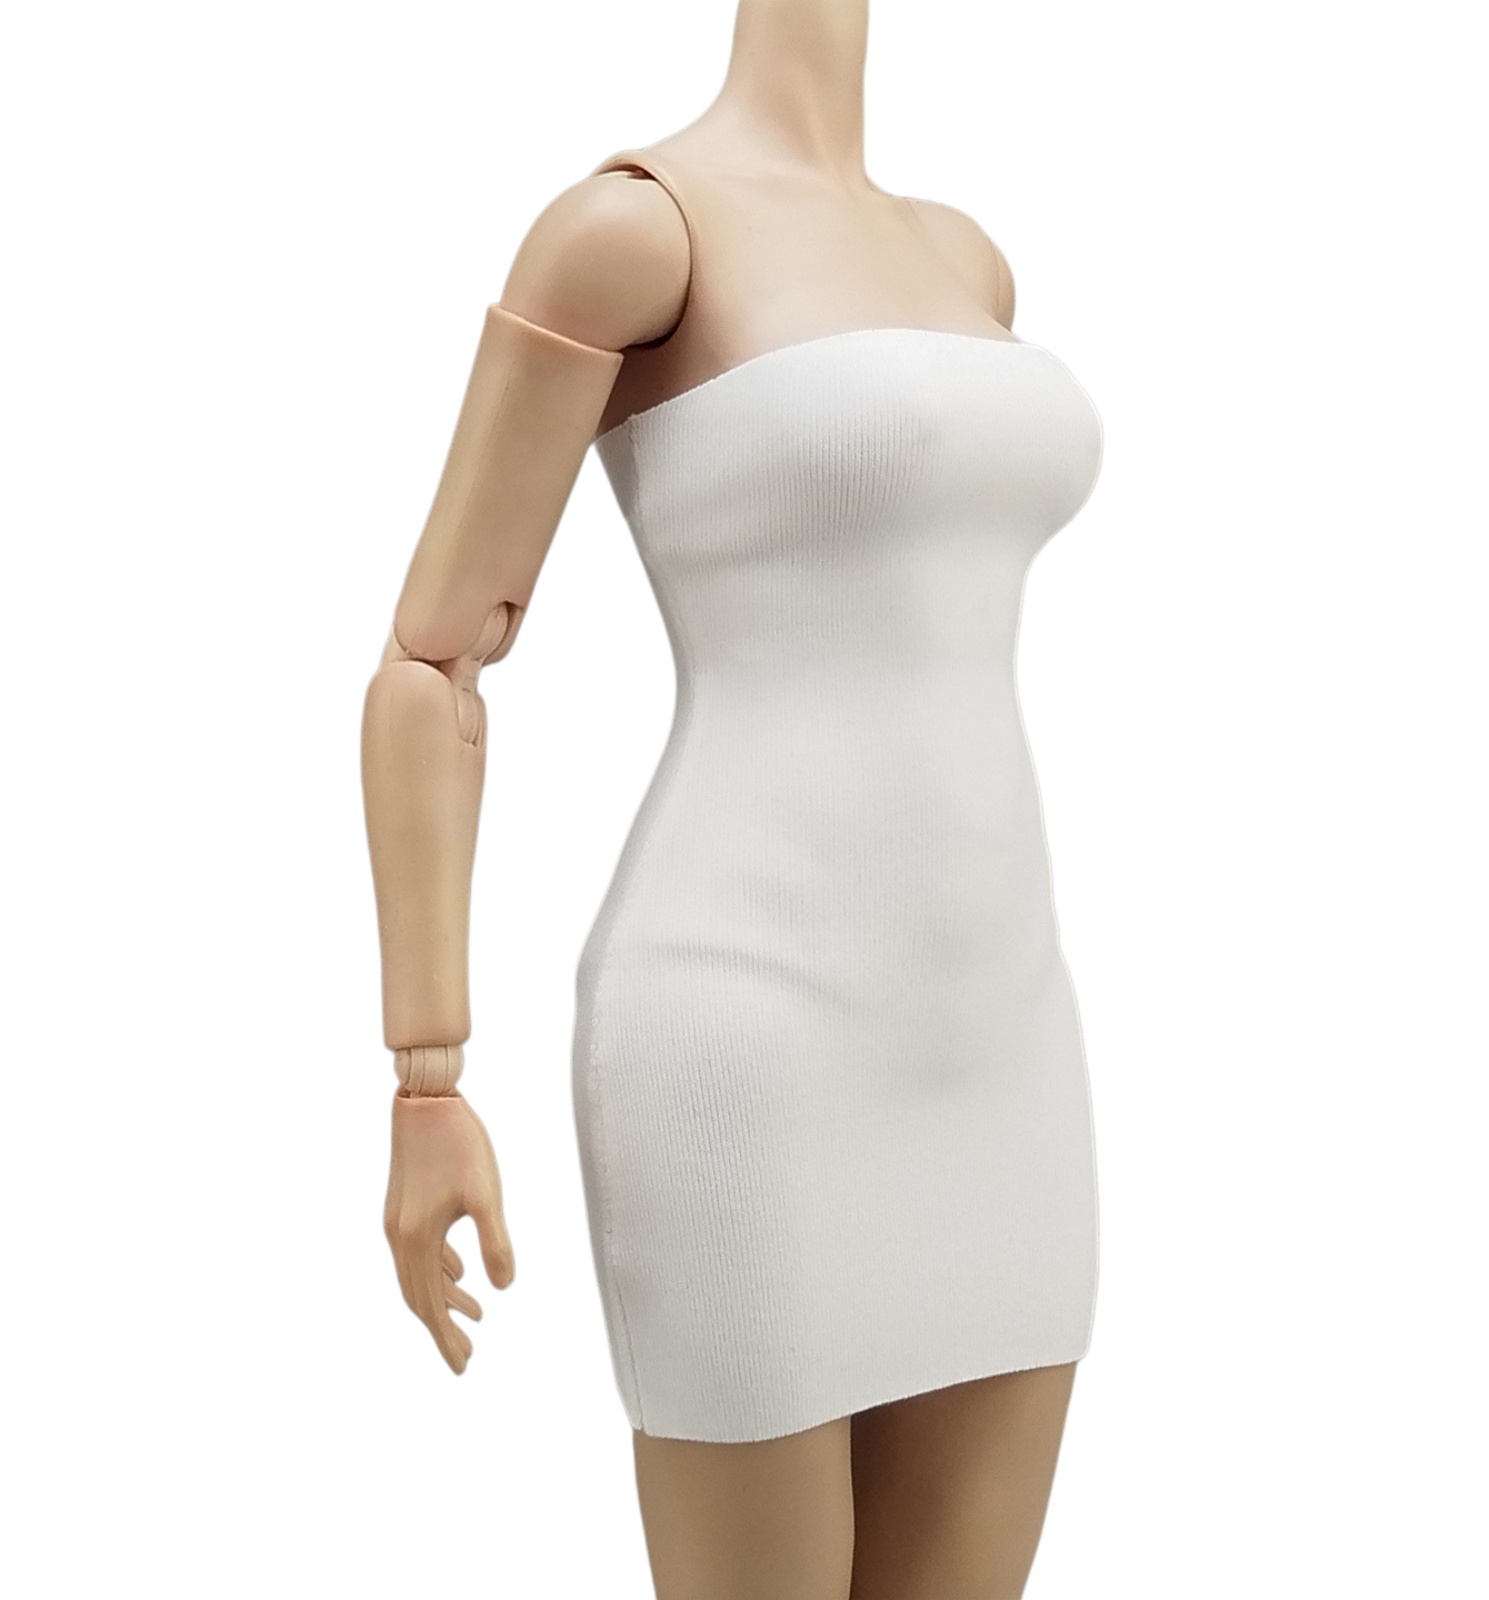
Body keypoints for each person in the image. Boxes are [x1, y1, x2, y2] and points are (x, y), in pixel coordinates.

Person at [360, 3, 1105, 1595]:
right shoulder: (636, 233)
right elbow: (431, 669)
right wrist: (428, 1080)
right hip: (748, 1036)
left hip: (1006, 1044)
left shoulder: (969, 264)